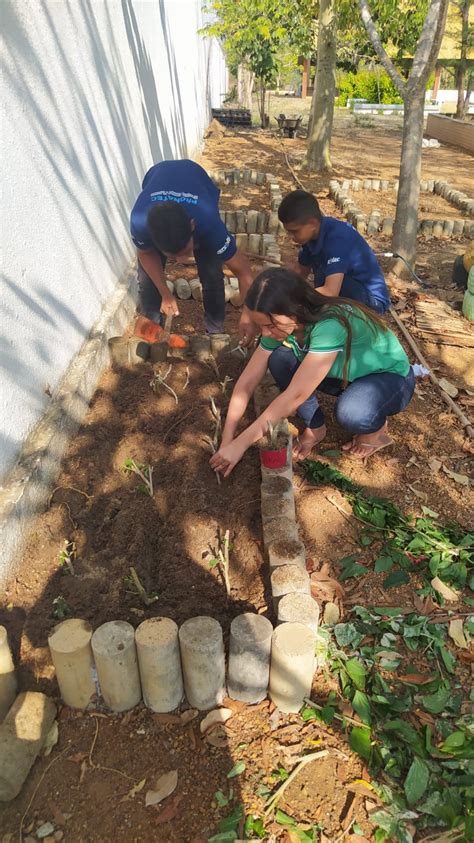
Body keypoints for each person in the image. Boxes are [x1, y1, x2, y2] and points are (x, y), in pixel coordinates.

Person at [210, 267, 414, 477]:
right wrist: (228, 440)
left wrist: (241, 444)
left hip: (390, 379)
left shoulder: (329, 325)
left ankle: (377, 431)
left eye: (270, 325)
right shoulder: (283, 322)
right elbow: (247, 382)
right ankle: (316, 428)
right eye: (261, 326)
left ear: (295, 308)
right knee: (280, 358)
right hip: (346, 374)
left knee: (352, 413)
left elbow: (296, 395)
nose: (266, 333)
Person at [130, 159, 255, 343]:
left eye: (185, 250)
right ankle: (151, 328)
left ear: (192, 226)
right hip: (157, 174)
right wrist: (165, 292)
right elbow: (146, 254)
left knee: (211, 273)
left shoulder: (208, 223)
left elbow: (244, 273)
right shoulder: (140, 221)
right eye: (172, 256)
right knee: (148, 280)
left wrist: (248, 314)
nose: (182, 261)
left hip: (196, 178)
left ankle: (215, 330)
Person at [278, 190, 391, 314]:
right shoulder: (310, 237)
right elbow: (300, 272)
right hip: (347, 292)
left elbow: (331, 291)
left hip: (371, 301)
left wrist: (298, 302)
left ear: (312, 223)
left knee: (325, 285)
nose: (290, 237)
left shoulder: (337, 239)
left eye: (294, 231)